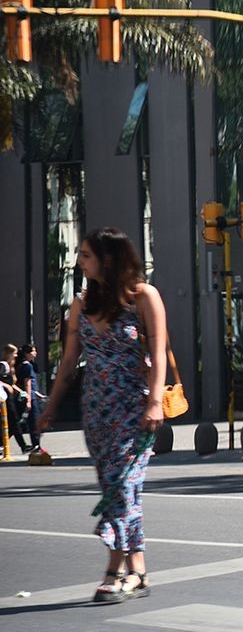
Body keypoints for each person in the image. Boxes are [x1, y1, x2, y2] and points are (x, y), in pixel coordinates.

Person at [37, 227, 168, 603]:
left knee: (120, 488)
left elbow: (158, 354)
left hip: (133, 410)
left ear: (109, 259)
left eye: (87, 254)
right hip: (95, 412)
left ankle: (115, 571)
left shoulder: (144, 297)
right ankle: (139, 569)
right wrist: (50, 407)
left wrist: (155, 401)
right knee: (122, 491)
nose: (80, 261)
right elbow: (68, 363)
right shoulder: (80, 304)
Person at [1, 344, 30, 453]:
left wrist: (20, 392)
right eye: (14, 353)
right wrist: (6, 385)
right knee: (14, 422)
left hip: (9, 398)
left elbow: (11, 383)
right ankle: (23, 446)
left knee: (12, 423)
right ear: (9, 354)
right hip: (4, 399)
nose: (16, 355)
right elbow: (6, 383)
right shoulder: (3, 365)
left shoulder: (10, 366)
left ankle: (3, 444)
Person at [16, 343, 42, 452]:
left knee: (17, 422)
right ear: (27, 353)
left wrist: (37, 393)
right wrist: (29, 400)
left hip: (28, 395)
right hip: (29, 397)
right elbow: (27, 383)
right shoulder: (27, 366)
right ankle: (36, 444)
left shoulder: (24, 365)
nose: (35, 353)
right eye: (33, 351)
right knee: (33, 421)